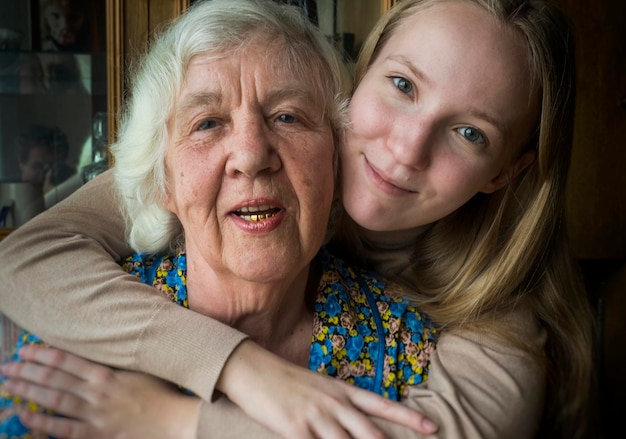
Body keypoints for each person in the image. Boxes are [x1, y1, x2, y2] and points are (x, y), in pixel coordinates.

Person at [0, 0, 594, 437]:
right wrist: (238, 364)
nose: (406, 149)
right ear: (358, 86)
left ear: (504, 173)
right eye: (402, 84)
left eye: (470, 132)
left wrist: (169, 421)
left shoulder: (490, 328)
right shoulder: (193, 172)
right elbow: (24, 259)